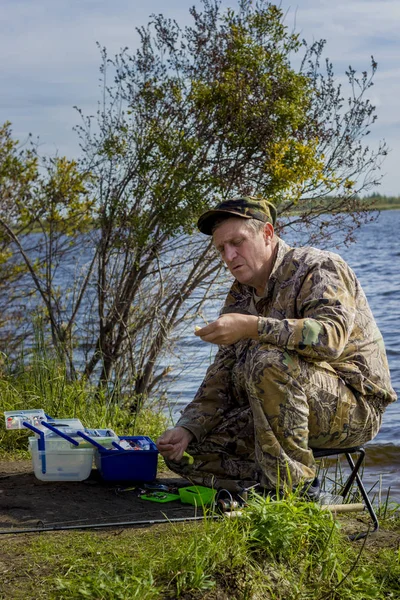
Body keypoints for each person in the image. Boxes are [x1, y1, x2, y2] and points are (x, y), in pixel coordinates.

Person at [156, 197, 397, 497]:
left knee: (268, 360)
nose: (229, 255)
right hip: (278, 408)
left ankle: (297, 494)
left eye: (237, 242)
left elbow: (331, 338)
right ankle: (265, 486)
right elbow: (221, 373)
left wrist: (251, 327)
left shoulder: (318, 267)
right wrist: (187, 428)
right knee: (190, 452)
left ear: (268, 234)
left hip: (355, 408)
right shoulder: (240, 295)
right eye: (221, 248)